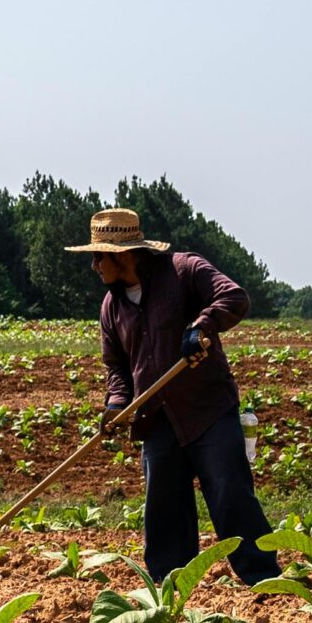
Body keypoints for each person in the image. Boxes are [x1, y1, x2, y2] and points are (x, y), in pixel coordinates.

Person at [72, 207, 280, 586]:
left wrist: (202, 325)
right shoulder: (111, 308)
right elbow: (117, 368)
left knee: (230, 496)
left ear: (122, 254)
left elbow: (235, 297)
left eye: (97, 256)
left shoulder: (184, 270)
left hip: (208, 411)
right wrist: (116, 406)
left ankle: (264, 580)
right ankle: (170, 591)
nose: (94, 266)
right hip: (155, 419)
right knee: (164, 512)